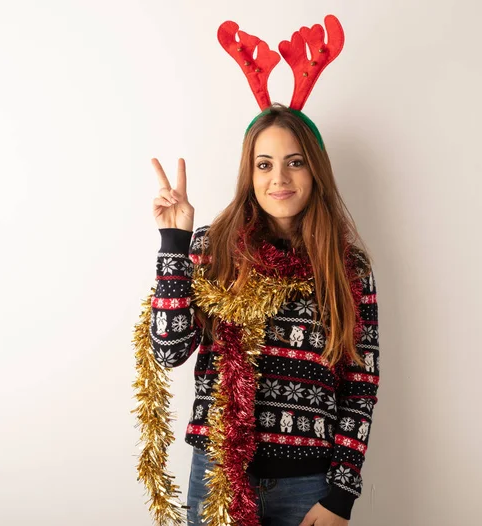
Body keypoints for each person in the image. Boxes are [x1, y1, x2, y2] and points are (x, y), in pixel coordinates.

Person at [149, 103, 380, 526]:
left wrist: (341, 497)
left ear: (316, 171)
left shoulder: (348, 268)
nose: (279, 178)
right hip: (219, 474)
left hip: (309, 487)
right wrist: (174, 241)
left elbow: (360, 386)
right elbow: (168, 350)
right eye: (264, 164)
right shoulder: (214, 249)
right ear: (250, 175)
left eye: (295, 162)